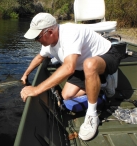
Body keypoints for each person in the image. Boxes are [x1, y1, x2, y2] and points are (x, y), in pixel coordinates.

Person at [20, 12, 123, 141]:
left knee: (89, 64)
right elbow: (40, 57)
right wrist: (25, 74)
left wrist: (36, 90)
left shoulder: (70, 33)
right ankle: (104, 83)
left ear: (50, 32)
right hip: (83, 68)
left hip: (107, 56)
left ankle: (92, 115)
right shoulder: (49, 43)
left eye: (37, 37)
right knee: (66, 95)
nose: (37, 41)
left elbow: (69, 68)